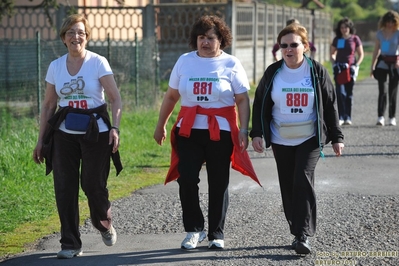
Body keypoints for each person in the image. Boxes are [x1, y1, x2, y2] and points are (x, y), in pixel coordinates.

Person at [153, 15, 260, 250]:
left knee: (218, 181)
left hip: (220, 131)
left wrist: (243, 129)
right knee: (187, 178)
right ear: (195, 40)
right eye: (201, 37)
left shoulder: (231, 64)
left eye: (211, 38)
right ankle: (194, 229)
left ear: (221, 40)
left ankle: (216, 234)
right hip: (189, 130)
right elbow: (171, 96)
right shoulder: (184, 61)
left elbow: (242, 99)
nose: (205, 42)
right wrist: (161, 124)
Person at [32, 14, 122, 259]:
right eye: (71, 32)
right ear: (63, 38)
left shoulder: (98, 62)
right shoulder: (56, 66)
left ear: (87, 36)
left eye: (80, 32)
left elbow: (115, 98)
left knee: (92, 185)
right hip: (64, 134)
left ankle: (104, 222)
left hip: (97, 133)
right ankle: (70, 243)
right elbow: (49, 106)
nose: (76, 37)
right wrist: (41, 140)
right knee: (64, 187)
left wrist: (115, 128)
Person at [250, 24, 344, 255]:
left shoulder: (316, 71)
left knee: (302, 178)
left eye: (294, 44)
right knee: (288, 184)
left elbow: (330, 105)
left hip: (309, 138)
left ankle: (302, 234)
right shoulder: (273, 73)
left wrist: (336, 137)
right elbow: (260, 103)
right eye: (284, 45)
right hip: (281, 138)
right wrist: (257, 133)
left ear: (305, 46)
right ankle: (296, 228)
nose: (289, 49)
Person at [330, 17, 364, 126]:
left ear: (350, 28)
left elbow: (361, 54)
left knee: (349, 94)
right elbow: (332, 53)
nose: (344, 30)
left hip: (351, 69)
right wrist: (334, 63)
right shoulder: (337, 39)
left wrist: (356, 65)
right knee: (340, 93)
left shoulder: (355, 39)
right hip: (339, 69)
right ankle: (340, 116)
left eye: (346, 27)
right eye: (342, 28)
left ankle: (348, 117)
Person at [370, 10, 399, 126]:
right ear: (384, 22)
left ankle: (392, 117)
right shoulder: (380, 33)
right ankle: (380, 116)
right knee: (382, 90)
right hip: (382, 62)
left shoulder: (398, 33)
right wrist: (372, 66)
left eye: (392, 22)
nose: (390, 24)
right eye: (388, 22)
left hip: (395, 63)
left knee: (393, 91)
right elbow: (376, 50)